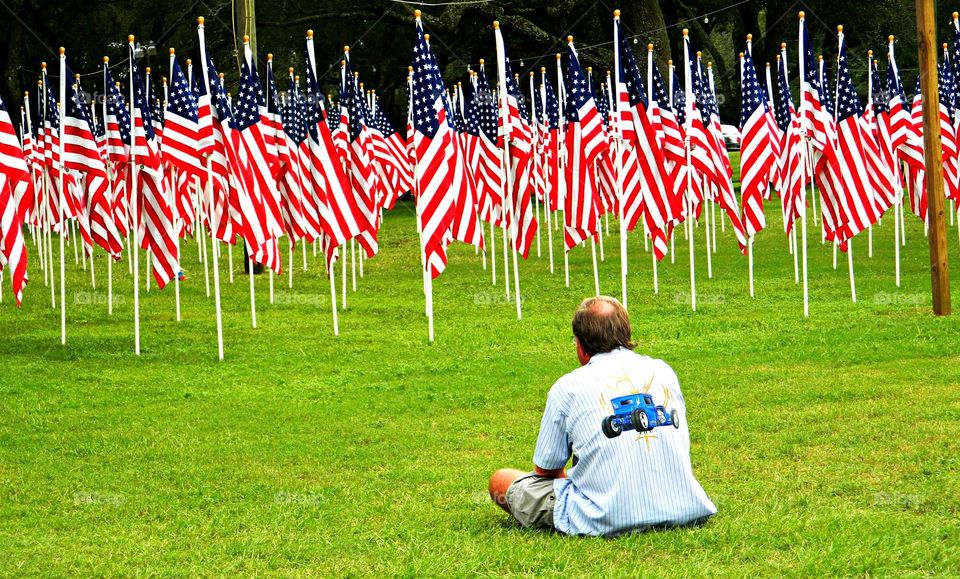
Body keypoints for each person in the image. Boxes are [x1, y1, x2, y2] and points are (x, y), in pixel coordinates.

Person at [489, 296, 717, 536]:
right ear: (626, 332)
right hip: (684, 507)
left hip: (604, 517)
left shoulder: (568, 386)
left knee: (501, 480)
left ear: (580, 344)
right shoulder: (663, 370)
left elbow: (546, 471)